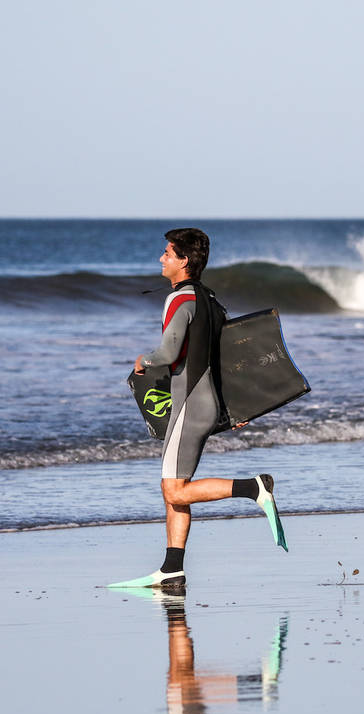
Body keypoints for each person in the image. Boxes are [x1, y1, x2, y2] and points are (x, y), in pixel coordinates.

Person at [108, 228, 287, 589]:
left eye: (167, 253)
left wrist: (145, 361)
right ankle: (172, 568)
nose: (162, 258)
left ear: (183, 261)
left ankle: (253, 488)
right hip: (203, 404)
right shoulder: (209, 300)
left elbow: (169, 353)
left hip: (189, 405)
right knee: (175, 487)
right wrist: (232, 409)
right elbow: (225, 358)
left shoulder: (181, 300)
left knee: (174, 490)